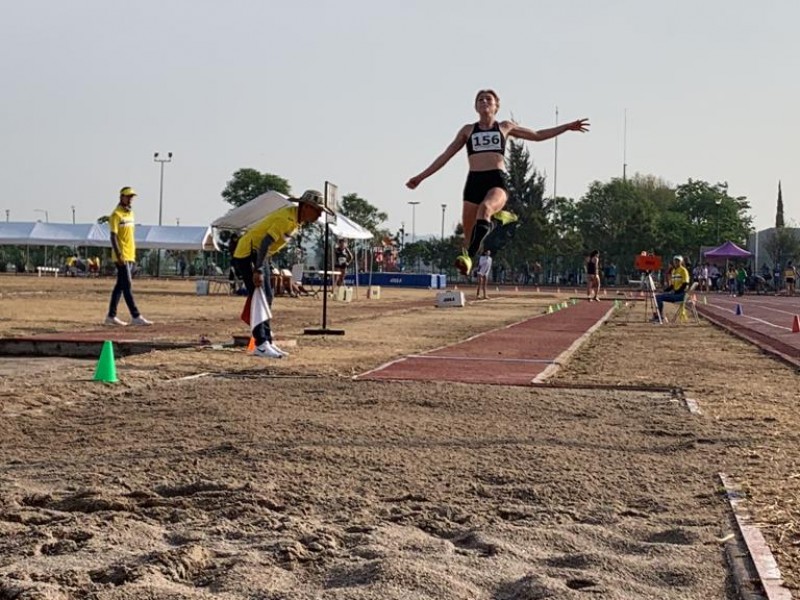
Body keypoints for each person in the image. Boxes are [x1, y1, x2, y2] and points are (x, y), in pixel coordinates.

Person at [406, 89, 589, 276]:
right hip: (473, 182)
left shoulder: (504, 127)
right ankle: (472, 252)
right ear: (475, 106)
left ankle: (474, 247)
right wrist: (420, 177)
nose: (484, 101)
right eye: (480, 99)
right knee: (469, 237)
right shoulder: (468, 130)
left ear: (496, 106)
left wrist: (566, 127)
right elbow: (445, 156)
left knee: (485, 209)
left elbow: (537, 135)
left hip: (496, 181)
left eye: (488, 99)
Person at [232, 190, 332, 359]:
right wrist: (258, 270)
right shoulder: (285, 219)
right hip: (248, 254)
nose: (319, 215)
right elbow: (265, 243)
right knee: (259, 296)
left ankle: (267, 340)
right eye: (317, 210)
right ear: (306, 207)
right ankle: (260, 344)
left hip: (260, 256)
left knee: (268, 297)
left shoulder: (295, 221)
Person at [105, 187, 153, 326]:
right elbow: (113, 236)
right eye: (128, 196)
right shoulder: (116, 215)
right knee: (127, 285)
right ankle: (135, 315)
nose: (130, 199)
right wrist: (119, 254)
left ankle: (111, 316)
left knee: (120, 286)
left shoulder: (130, 214)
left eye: (132, 196)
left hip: (130, 254)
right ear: (121, 197)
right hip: (122, 256)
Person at [652, 255, 690, 323]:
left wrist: (676, 292)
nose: (676, 262)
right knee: (657, 296)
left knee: (658, 297)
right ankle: (659, 316)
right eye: (675, 260)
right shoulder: (674, 271)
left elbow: (685, 284)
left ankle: (660, 317)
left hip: (680, 295)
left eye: (678, 261)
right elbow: (672, 286)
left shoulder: (684, 270)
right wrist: (664, 290)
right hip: (676, 294)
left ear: (681, 262)